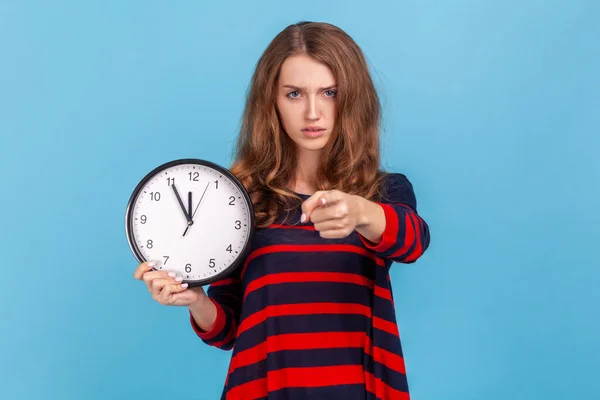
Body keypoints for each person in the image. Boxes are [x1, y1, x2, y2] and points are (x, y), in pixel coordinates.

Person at [134, 21, 431, 400]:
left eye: (329, 92)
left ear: (352, 98)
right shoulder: (242, 199)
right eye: (294, 93)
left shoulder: (383, 193)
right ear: (271, 101)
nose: (312, 111)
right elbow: (228, 331)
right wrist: (196, 300)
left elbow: (412, 242)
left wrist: (359, 212)